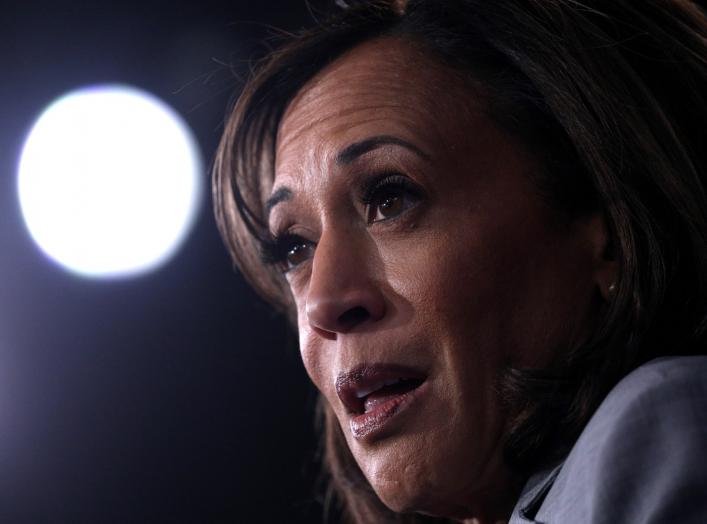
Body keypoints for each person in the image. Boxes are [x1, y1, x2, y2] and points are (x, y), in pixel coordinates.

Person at [212, 1, 707, 522]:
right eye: (296, 247)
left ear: (606, 236)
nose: (323, 303)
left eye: (391, 199)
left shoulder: (659, 428)